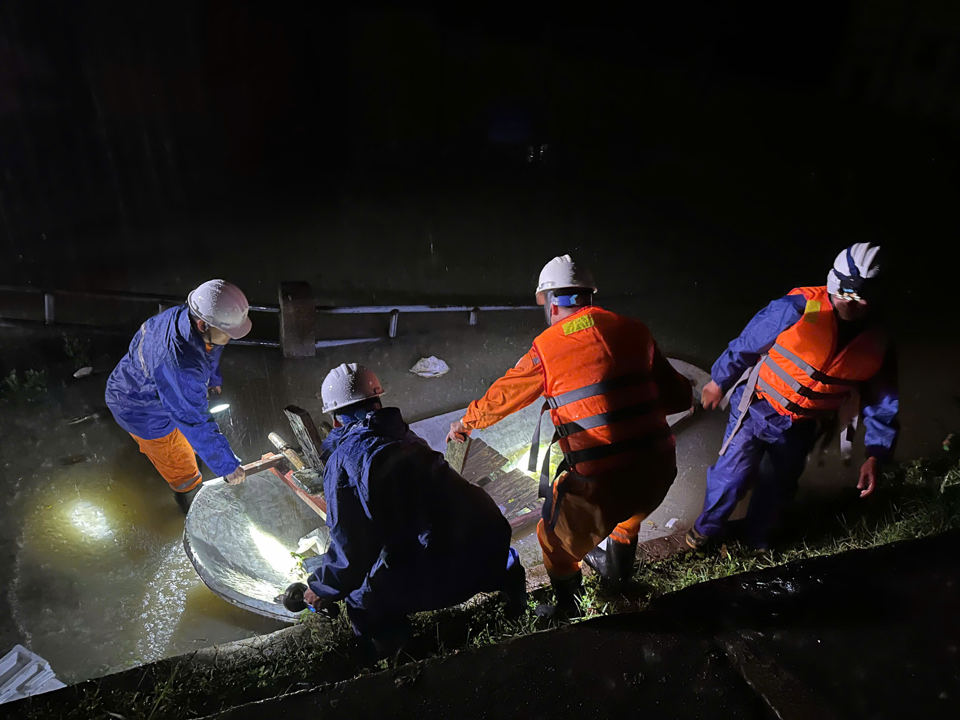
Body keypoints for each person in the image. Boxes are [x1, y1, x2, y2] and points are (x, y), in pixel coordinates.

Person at [447, 254, 692, 616]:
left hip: (601, 485)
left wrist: (465, 424)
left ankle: (569, 610)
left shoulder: (548, 348)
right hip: (658, 470)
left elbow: (503, 397)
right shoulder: (635, 330)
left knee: (554, 541)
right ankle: (617, 576)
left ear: (550, 301)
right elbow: (680, 396)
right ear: (588, 296)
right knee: (629, 514)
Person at [686, 243, 899, 550]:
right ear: (835, 284)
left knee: (778, 486)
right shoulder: (799, 306)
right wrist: (719, 381)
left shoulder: (879, 341)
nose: (854, 304)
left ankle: (758, 542)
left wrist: (877, 454)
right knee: (731, 475)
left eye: (863, 297)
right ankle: (705, 530)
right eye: (848, 294)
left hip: (802, 424)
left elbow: (883, 402)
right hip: (756, 407)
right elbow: (748, 342)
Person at [303, 363, 526, 655]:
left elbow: (351, 551)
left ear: (335, 421)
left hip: (448, 571)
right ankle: (518, 610)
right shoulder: (408, 438)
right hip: (493, 545)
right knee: (490, 558)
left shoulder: (344, 461)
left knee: (361, 600)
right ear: (378, 402)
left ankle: (398, 664)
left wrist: (322, 589)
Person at [105, 279, 251, 512]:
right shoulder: (181, 365)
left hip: (136, 384)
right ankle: (190, 501)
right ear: (203, 325)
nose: (230, 337)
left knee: (193, 439)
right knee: (182, 465)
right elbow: (192, 419)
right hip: (142, 412)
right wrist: (227, 466)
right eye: (228, 332)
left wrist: (212, 379)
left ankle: (198, 462)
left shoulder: (183, 317)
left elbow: (211, 349)